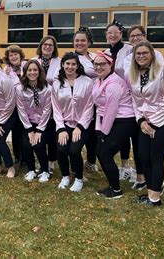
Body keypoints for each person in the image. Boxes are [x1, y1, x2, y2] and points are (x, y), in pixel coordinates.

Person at [129, 41, 164, 206]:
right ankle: (151, 189)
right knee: (143, 156)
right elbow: (135, 101)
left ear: (152, 54)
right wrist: (141, 120)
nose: (141, 56)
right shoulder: (134, 74)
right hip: (145, 122)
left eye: (145, 53)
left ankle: (155, 198)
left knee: (156, 157)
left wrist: (154, 125)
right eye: (138, 54)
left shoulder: (162, 73)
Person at [120, 25, 164, 184]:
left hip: (157, 111)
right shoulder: (128, 58)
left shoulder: (157, 56)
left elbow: (162, 86)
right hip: (136, 107)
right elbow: (130, 80)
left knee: (153, 152)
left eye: (138, 35)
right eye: (132, 36)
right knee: (139, 146)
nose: (135, 38)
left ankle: (153, 182)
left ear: (145, 35)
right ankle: (143, 177)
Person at [92, 52, 137, 199]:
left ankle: (116, 190)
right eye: (96, 64)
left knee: (105, 153)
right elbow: (101, 107)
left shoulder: (114, 83)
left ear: (110, 65)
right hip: (110, 120)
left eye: (102, 64)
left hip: (123, 120)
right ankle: (112, 185)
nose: (99, 67)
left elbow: (111, 110)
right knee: (101, 152)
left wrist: (103, 133)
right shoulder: (100, 80)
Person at [52, 52, 94, 192]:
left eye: (73, 64)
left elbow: (90, 106)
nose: (70, 67)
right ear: (63, 65)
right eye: (67, 64)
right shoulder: (57, 83)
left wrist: (80, 127)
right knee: (62, 148)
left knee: (74, 150)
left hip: (83, 125)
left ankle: (78, 178)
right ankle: (65, 176)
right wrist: (61, 129)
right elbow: (56, 108)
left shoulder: (87, 82)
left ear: (77, 66)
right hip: (64, 124)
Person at [15, 60, 52, 182]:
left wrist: (40, 130)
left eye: (35, 70)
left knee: (39, 145)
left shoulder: (47, 89)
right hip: (28, 123)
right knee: (26, 145)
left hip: (43, 122)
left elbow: (47, 110)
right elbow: (21, 110)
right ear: (25, 72)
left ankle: (45, 170)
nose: (32, 72)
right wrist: (30, 129)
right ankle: (31, 170)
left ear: (39, 71)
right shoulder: (20, 89)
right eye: (29, 70)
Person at [73, 27, 99, 173]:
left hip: (99, 99)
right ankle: (77, 159)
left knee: (94, 133)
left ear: (89, 42)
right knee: (84, 130)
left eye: (83, 40)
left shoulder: (95, 56)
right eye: (77, 40)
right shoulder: (73, 58)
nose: (80, 43)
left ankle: (91, 160)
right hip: (82, 100)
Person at [33, 35, 60, 173]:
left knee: (51, 132)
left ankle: (52, 161)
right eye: (45, 44)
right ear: (41, 46)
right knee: (41, 131)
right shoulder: (33, 61)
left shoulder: (59, 62)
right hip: (37, 101)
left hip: (54, 100)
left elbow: (59, 80)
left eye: (50, 45)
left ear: (54, 48)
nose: (48, 47)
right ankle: (42, 160)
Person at [3, 45, 25, 166]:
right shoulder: (6, 70)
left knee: (26, 132)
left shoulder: (27, 66)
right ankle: (18, 157)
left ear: (20, 55)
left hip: (28, 105)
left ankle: (27, 157)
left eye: (15, 54)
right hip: (14, 106)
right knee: (16, 133)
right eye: (10, 55)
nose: (13, 57)